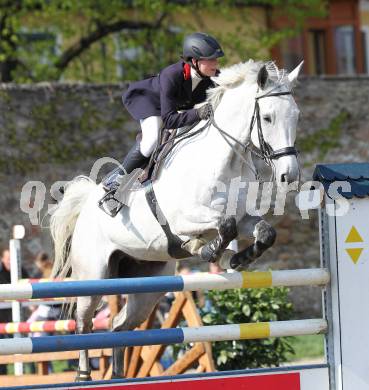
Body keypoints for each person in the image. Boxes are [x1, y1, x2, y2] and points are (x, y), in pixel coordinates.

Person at [100, 32, 224, 215]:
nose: (216, 64)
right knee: (151, 139)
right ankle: (116, 178)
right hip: (150, 102)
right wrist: (197, 113)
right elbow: (169, 120)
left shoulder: (213, 77)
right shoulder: (171, 75)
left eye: (216, 60)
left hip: (176, 107)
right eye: (211, 60)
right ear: (194, 61)